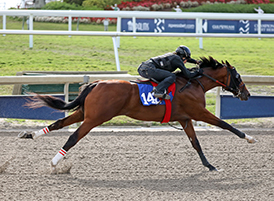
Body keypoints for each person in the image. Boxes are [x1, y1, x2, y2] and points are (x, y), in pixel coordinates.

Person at [138, 45, 202, 99]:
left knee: (168, 75)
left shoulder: (175, 56)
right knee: (172, 76)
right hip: (148, 69)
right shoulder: (177, 59)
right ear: (182, 57)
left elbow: (187, 59)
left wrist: (196, 62)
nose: (186, 61)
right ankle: (158, 91)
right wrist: (198, 72)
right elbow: (188, 74)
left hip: (144, 68)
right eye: (186, 59)